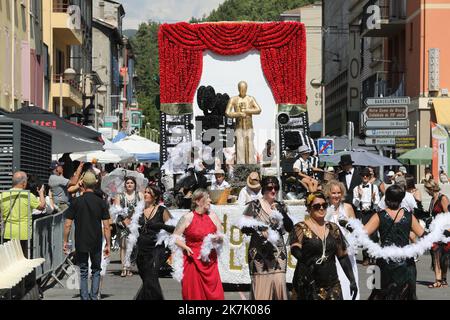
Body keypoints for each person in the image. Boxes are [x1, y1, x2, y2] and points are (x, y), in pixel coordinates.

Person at [289, 191, 357, 300]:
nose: (321, 208)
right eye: (317, 206)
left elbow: (342, 256)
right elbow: (295, 249)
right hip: (309, 283)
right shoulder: (300, 227)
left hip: (332, 285)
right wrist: (307, 262)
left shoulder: (333, 228)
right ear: (309, 208)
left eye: (324, 205)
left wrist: (352, 280)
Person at [362, 184, 425, 299]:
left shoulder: (379, 216)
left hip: (385, 262)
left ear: (386, 198)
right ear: (401, 199)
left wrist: (349, 225)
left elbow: (363, 232)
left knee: (380, 293)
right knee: (406, 295)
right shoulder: (409, 216)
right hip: (406, 263)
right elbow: (423, 234)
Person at [238, 176, 293, 300]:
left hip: (278, 255)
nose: (273, 191)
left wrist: (281, 213)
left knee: (279, 286)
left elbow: (290, 227)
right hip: (258, 256)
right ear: (263, 189)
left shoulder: (281, 206)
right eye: (269, 188)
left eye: (276, 188)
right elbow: (243, 227)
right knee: (261, 291)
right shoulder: (254, 205)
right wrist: (259, 229)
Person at [63, 172, 111, 300]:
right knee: (96, 269)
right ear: (95, 184)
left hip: (81, 239)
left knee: (83, 270)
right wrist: (108, 244)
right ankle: (94, 296)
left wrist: (65, 241)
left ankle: (84, 297)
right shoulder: (101, 202)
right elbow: (106, 226)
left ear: (82, 183)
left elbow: (67, 224)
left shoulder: (76, 202)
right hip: (96, 239)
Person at [173, 189, 224, 300]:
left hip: (210, 262)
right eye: (207, 198)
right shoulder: (187, 217)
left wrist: (217, 239)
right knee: (193, 295)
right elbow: (175, 238)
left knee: (216, 296)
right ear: (198, 201)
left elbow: (221, 237)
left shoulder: (213, 216)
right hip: (192, 261)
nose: (210, 200)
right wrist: (185, 247)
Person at [136, 185, 175, 300]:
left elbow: (174, 228)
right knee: (146, 281)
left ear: (155, 196)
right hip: (141, 251)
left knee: (151, 278)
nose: (146, 194)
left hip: (156, 250)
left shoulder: (161, 210)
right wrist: (120, 220)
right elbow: (128, 224)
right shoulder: (138, 210)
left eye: (149, 192)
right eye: (145, 192)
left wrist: (161, 225)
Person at [324, 180, 359, 300]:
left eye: (339, 193)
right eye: (333, 193)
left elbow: (356, 229)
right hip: (331, 253)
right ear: (328, 193)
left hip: (347, 251)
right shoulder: (323, 208)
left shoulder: (348, 207)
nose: (336, 196)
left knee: (349, 281)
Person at [1, 171, 45, 256]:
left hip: (7, 232)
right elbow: (42, 206)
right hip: (23, 233)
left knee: (10, 259)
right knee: (22, 260)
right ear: (24, 183)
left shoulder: (3, 195)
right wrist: (41, 193)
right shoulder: (27, 195)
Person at [113, 176, 144, 277]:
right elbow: (117, 209)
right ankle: (124, 267)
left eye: (131, 183)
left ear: (135, 185)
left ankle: (129, 266)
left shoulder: (139, 195)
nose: (129, 184)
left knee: (134, 245)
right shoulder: (120, 196)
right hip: (123, 223)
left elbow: (142, 208)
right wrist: (125, 218)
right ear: (125, 185)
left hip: (135, 223)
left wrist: (133, 217)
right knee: (123, 245)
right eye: (127, 183)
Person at [225, 81, 262, 164]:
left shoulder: (250, 98)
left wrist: (247, 110)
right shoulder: (233, 99)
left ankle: (251, 165)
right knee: (240, 147)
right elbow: (227, 112)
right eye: (241, 89)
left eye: (244, 89)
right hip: (239, 127)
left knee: (250, 147)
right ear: (238, 89)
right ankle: (241, 166)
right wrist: (238, 113)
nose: (243, 91)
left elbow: (259, 110)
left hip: (249, 126)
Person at [424, 179, 450, 288]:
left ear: (431, 188)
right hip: (434, 231)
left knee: (444, 257)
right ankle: (438, 280)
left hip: (444, 232)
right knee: (435, 254)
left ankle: (443, 280)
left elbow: (448, 215)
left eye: (427, 189)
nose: (426, 192)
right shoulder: (432, 199)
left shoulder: (443, 198)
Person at [352, 167, 380, 266]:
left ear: (370, 176)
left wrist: (373, 200)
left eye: (367, 175)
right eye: (363, 175)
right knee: (364, 235)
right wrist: (359, 197)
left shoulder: (374, 187)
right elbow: (355, 204)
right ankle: (366, 257)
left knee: (374, 236)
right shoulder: (356, 188)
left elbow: (377, 203)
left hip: (372, 213)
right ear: (361, 177)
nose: (365, 177)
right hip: (361, 213)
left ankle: (374, 256)